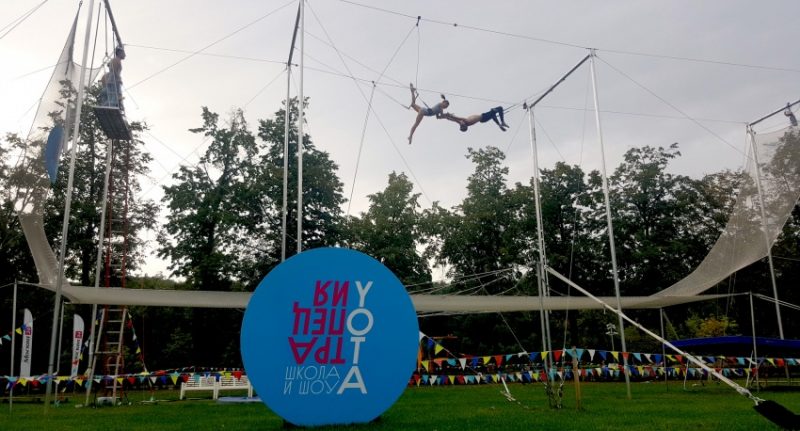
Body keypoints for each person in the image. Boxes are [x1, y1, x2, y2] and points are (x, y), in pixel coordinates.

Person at [440, 106, 509, 132]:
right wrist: (450, 116)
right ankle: (502, 122)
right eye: (462, 125)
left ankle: (499, 125)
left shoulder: (461, 123)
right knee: (499, 108)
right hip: (483, 117)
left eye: (460, 125)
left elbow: (454, 120)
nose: (461, 124)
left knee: (493, 114)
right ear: (465, 125)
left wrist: (445, 117)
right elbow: (457, 118)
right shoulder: (467, 121)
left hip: (483, 118)